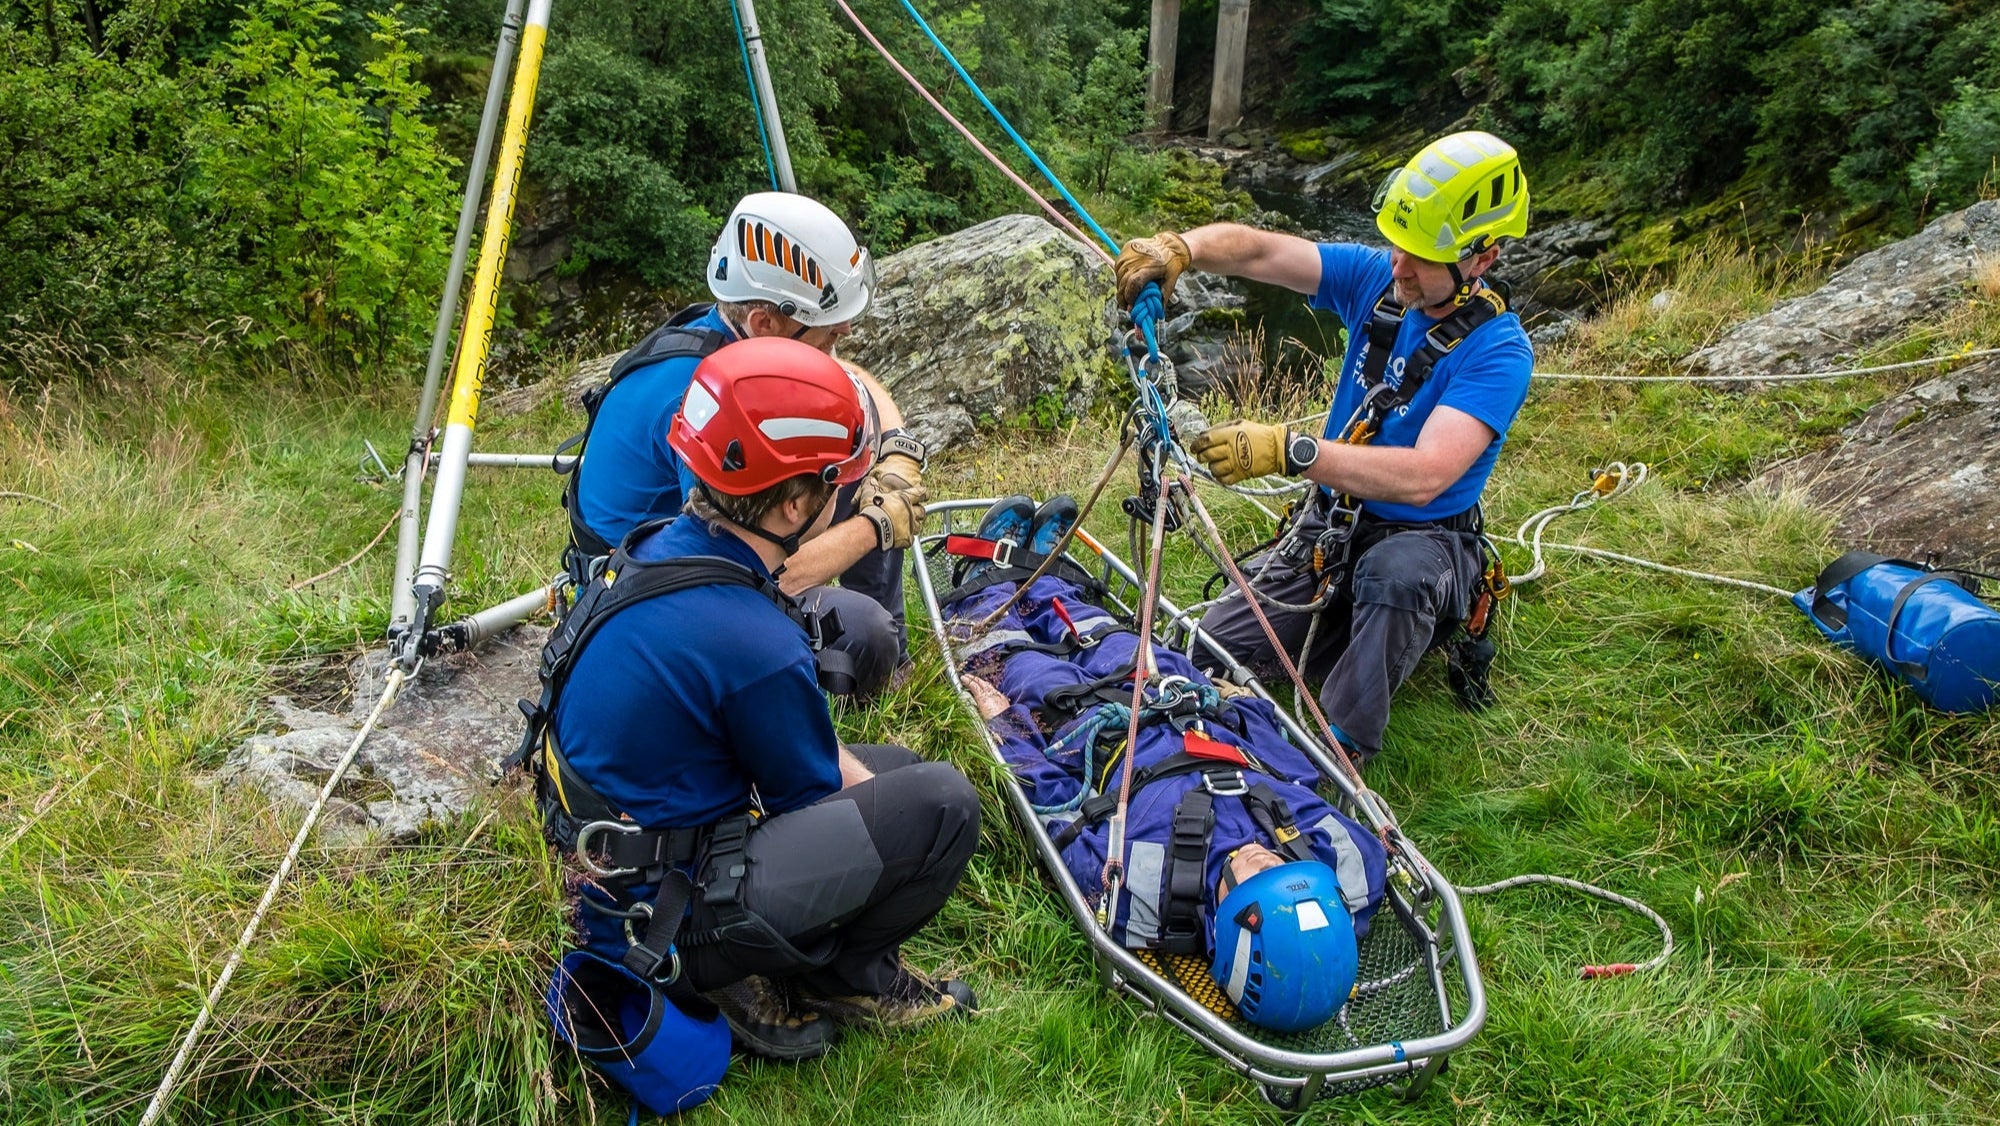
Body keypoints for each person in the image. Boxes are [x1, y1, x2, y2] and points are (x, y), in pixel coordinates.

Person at [527, 337, 980, 1102]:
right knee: (942, 804)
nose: (848, 496)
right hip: (658, 916)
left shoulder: (659, 548)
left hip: (611, 859)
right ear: (797, 503)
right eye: (841, 483)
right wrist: (890, 815)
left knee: (901, 774)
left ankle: (788, 960)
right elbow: (813, 800)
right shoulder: (755, 639)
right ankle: (846, 978)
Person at [1114, 130, 1535, 766]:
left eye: (1420, 257)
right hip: (1333, 526)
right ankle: (1338, 622)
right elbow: (1261, 251)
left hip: (1424, 540)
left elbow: (1427, 476)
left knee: (1395, 579)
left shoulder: (1499, 352)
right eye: (1397, 245)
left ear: (1483, 259)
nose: (1399, 266)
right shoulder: (1376, 281)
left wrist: (1292, 451)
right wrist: (1183, 249)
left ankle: (1343, 746)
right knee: (1204, 650)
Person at [939, 496, 1386, 1031]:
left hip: (1085, 727)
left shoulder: (1143, 890)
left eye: (1259, 879)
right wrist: (1240, 708)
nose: (1269, 860)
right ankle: (1045, 569)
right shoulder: (1332, 861)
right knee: (1104, 633)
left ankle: (986, 581)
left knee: (1018, 661)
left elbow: (1056, 812)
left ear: (1225, 925)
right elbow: (1299, 776)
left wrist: (1005, 727)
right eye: (1288, 871)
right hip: (1177, 698)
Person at [563, 191, 925, 698]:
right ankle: (855, 686)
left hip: (695, 551)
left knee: (857, 458)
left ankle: (894, 670)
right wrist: (877, 525)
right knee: (864, 630)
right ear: (765, 323)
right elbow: (757, 572)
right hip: (646, 602)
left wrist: (896, 450)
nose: (839, 341)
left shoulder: (736, 343)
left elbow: (847, 378)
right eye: (828, 335)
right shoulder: (702, 402)